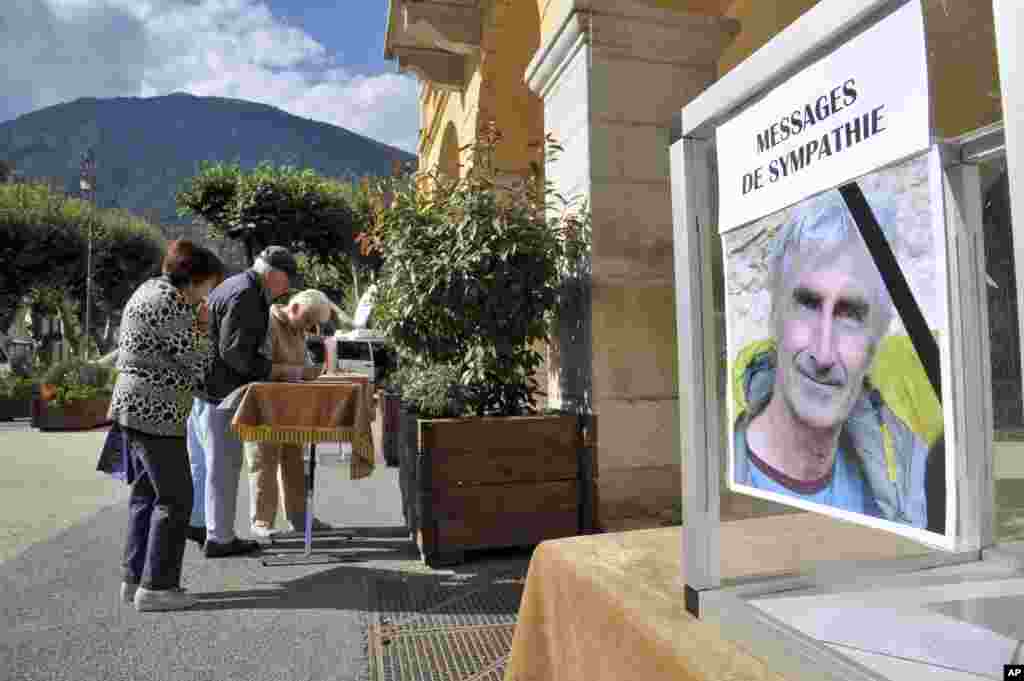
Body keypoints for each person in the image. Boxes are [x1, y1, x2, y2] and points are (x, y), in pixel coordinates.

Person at [732, 190, 930, 529]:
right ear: (774, 316)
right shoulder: (720, 465)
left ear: (876, 340)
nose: (823, 354)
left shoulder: (913, 471)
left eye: (850, 314)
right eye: (807, 304)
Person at [108, 240, 225, 611]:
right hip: (155, 411)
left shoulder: (148, 290)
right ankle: (157, 587)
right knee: (176, 499)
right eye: (210, 285)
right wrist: (205, 328)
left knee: (147, 495)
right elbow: (198, 361)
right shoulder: (171, 304)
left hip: (133, 408)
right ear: (193, 279)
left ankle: (134, 579)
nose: (210, 293)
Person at [197, 245, 317, 558]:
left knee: (211, 468)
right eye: (288, 280)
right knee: (224, 468)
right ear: (275, 275)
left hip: (206, 389)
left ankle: (212, 531)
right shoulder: (248, 295)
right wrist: (274, 370)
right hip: (221, 393)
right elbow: (236, 353)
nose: (288, 288)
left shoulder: (235, 284)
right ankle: (220, 538)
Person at [247, 289, 344, 537]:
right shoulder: (266, 323)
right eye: (308, 321)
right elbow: (261, 367)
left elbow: (303, 363)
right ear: (296, 308)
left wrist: (313, 370)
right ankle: (261, 522)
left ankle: (300, 518)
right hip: (266, 405)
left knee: (295, 463)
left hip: (291, 406)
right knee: (264, 463)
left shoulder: (297, 327)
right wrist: (300, 372)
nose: (310, 328)